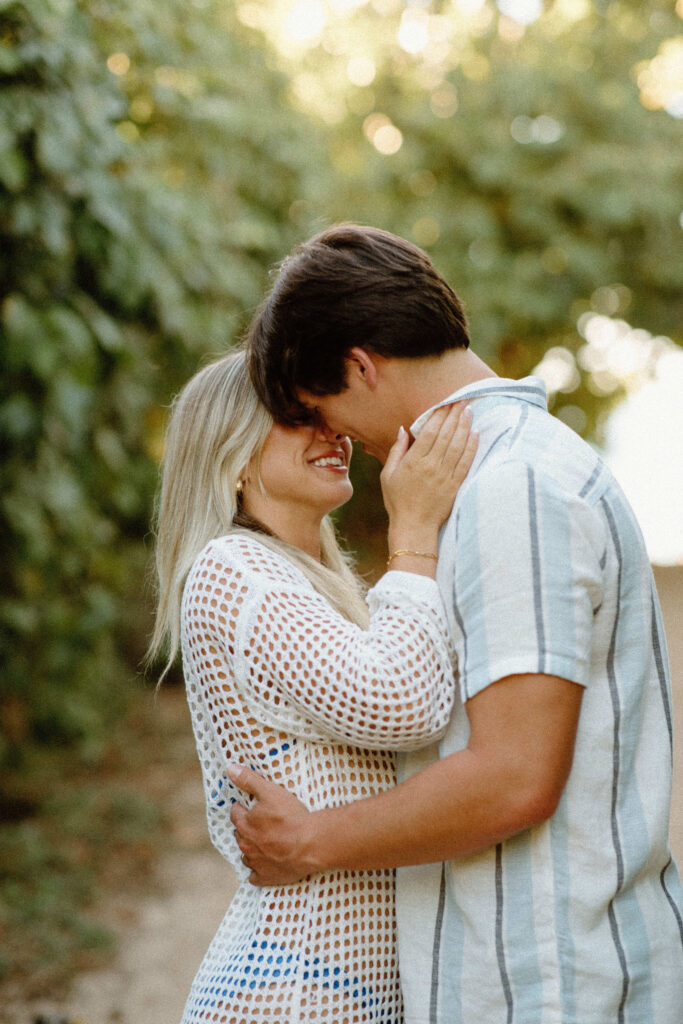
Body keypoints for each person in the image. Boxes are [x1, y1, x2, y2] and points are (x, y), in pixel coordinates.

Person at [229, 224, 683, 1024]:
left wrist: (309, 841)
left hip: (552, 985)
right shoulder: (506, 474)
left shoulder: (515, 488)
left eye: (319, 408)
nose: (338, 440)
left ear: (361, 366)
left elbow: (514, 775)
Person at [146, 347, 478, 1023]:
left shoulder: (308, 584)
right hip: (293, 998)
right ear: (232, 454)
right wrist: (412, 529)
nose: (334, 430)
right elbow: (406, 703)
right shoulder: (232, 572)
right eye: (298, 415)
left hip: (341, 989)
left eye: (325, 408)